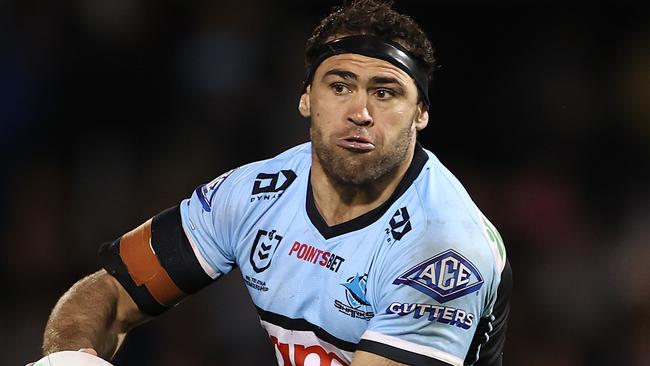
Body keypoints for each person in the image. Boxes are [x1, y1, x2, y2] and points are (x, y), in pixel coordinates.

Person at [33, 1, 512, 365]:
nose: (360, 113)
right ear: (307, 99)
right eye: (340, 86)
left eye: (385, 93)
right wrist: (68, 358)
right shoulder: (256, 193)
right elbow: (111, 293)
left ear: (421, 113)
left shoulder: (443, 248)